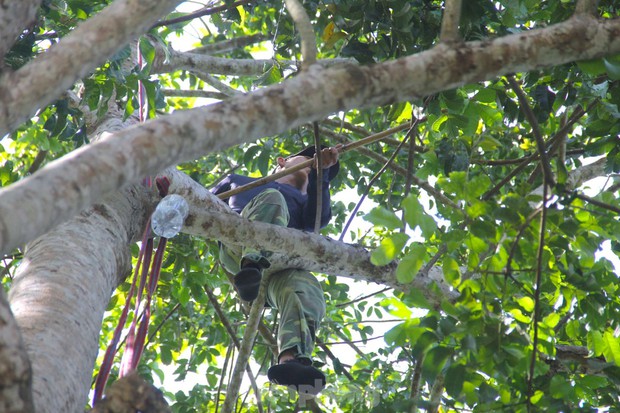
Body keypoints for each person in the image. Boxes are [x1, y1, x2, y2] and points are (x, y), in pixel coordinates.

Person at [211, 144, 341, 396]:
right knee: (273, 197)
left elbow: (319, 221)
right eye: (307, 158)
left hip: (277, 267)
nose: (312, 162)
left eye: (316, 162)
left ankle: (291, 360)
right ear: (282, 161)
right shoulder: (240, 182)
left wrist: (321, 174)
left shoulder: (308, 203)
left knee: (306, 288)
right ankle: (250, 266)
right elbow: (196, 200)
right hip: (238, 244)